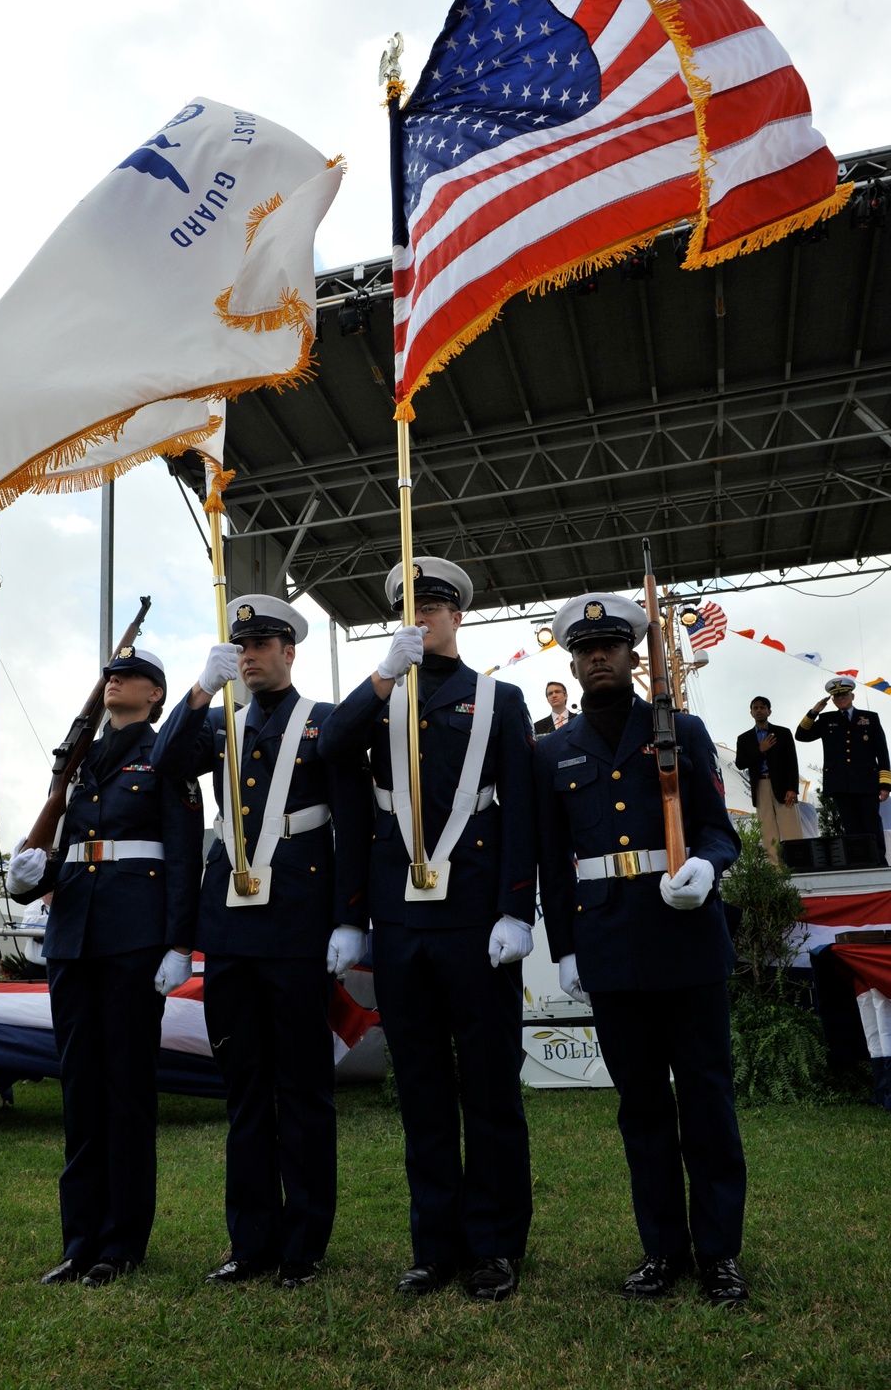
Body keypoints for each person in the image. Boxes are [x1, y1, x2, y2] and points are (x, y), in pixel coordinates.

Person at [318, 558, 536, 1302]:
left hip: (475, 916)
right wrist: (382, 675)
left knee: (489, 1085)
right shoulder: (382, 698)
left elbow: (519, 811)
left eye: (433, 605)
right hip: (400, 917)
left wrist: (517, 907)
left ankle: (496, 1245)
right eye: (409, 608)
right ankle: (433, 1245)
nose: (421, 617)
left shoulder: (500, 699)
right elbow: (331, 748)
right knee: (421, 1089)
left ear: (457, 616)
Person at [152, 595, 372, 1291]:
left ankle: (303, 1243)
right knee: (245, 1089)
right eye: (239, 647)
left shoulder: (327, 720)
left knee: (302, 1088)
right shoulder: (221, 722)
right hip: (231, 927)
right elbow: (164, 761)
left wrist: (350, 918)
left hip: (300, 924)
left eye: (260, 645)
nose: (247, 656)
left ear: (289, 651)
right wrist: (197, 690)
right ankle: (250, 1241)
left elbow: (354, 822)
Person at [533, 593, 747, 1306]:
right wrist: (565, 948)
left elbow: (719, 830)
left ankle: (719, 1253)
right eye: (585, 649)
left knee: (708, 1101)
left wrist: (707, 868)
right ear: (572, 662)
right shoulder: (552, 751)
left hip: (687, 938)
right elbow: (551, 859)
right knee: (644, 1108)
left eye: (611, 646)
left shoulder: (680, 729)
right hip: (610, 944)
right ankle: (662, 1250)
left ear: (632, 656)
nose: (598, 656)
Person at [6, 646, 203, 1288]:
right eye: (111, 674)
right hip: (73, 938)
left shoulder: (165, 754)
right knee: (81, 1090)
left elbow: (182, 857)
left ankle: (121, 1244)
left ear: (155, 694)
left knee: (126, 1089)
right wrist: (31, 877)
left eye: (130, 675)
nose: (115, 680)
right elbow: (68, 849)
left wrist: (179, 943)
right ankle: (79, 1241)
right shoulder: (80, 761)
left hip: (133, 938)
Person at [795, 677, 890, 865]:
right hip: (840, 783)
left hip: (866, 782)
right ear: (832, 700)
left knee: (872, 824)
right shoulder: (827, 720)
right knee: (851, 827)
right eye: (837, 696)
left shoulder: (869, 718)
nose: (841, 698)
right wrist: (814, 712)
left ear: (852, 696)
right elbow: (801, 735)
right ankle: (858, 862)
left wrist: (885, 784)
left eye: (844, 694)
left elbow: (882, 752)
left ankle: (879, 862)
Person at [734, 697, 803, 866]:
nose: (759, 710)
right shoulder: (744, 738)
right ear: (751, 712)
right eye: (755, 708)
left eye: (762, 707)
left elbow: (792, 762)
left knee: (791, 827)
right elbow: (740, 763)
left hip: (783, 786)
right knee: (767, 829)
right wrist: (760, 750)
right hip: (760, 785)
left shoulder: (782, 733)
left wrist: (792, 788)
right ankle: (775, 869)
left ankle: (797, 865)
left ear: (769, 711)